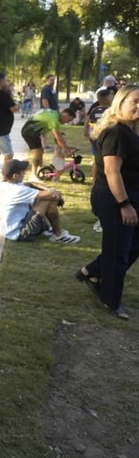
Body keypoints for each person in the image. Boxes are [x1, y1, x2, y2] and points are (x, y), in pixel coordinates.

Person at [77, 84, 139, 320]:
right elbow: (112, 172)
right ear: (120, 103)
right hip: (115, 198)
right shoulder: (116, 132)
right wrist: (124, 205)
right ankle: (110, 299)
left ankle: (91, 271)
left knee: (133, 245)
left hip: (130, 195)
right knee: (118, 251)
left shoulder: (131, 129)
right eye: (135, 101)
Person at [0, 159, 80, 244]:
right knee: (48, 200)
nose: (24, 173)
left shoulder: (3, 185)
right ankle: (58, 235)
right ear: (15, 176)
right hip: (19, 233)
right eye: (22, 172)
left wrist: (48, 189)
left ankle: (47, 228)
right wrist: (56, 194)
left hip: (6, 229)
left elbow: (30, 184)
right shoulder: (17, 190)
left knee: (40, 197)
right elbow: (51, 195)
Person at [21, 108, 75, 178]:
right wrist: (66, 149)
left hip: (33, 131)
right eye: (68, 120)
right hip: (30, 131)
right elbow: (58, 137)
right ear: (65, 114)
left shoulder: (54, 114)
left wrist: (65, 147)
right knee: (38, 153)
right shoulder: (54, 119)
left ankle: (39, 171)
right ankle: (33, 175)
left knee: (40, 151)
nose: (66, 122)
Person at [85, 87, 114, 188]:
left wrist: (86, 132)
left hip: (95, 138)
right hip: (107, 138)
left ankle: (95, 182)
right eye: (110, 96)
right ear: (107, 98)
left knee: (96, 160)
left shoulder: (94, 110)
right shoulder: (110, 111)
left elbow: (89, 122)